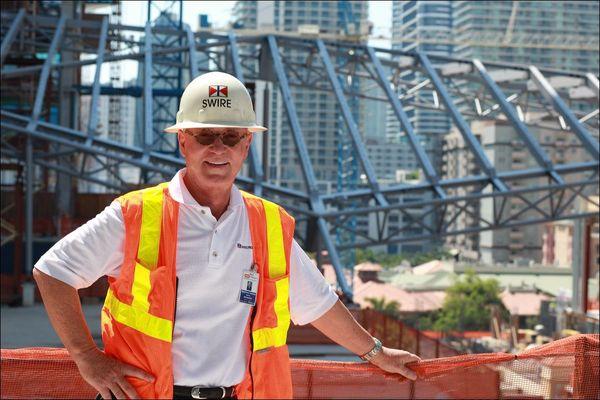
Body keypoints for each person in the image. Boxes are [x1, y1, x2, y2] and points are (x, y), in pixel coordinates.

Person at [33, 71, 420, 400]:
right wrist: (87, 357)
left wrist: (377, 353)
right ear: (183, 141)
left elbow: (317, 304)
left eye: (231, 137)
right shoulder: (136, 214)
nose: (218, 148)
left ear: (246, 145)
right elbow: (53, 271)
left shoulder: (268, 223)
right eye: (205, 136)